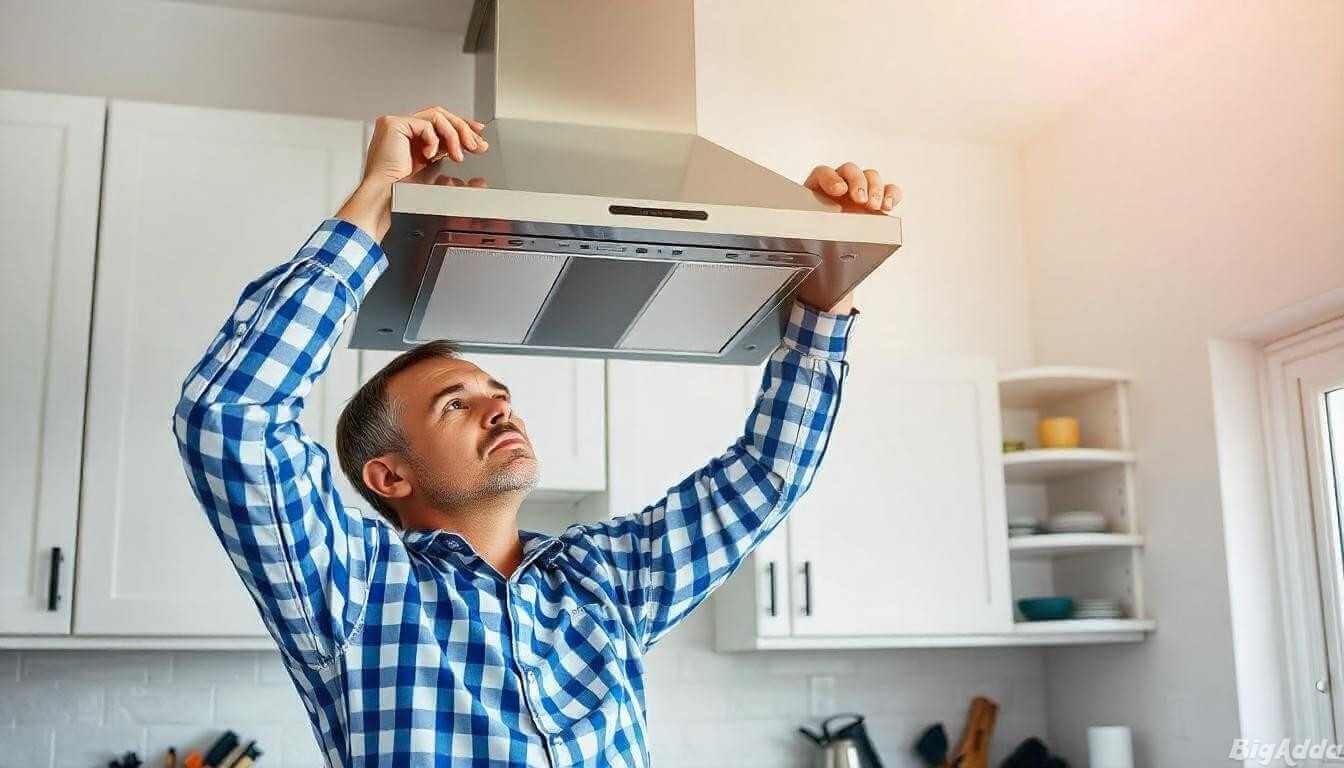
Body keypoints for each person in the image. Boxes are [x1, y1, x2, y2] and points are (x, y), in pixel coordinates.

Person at [173, 106, 901, 767]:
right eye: (455, 405)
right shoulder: (356, 588)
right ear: (390, 476)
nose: (501, 411)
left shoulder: (604, 582)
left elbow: (765, 477)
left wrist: (827, 288)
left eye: (501, 396)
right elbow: (231, 416)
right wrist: (376, 202)